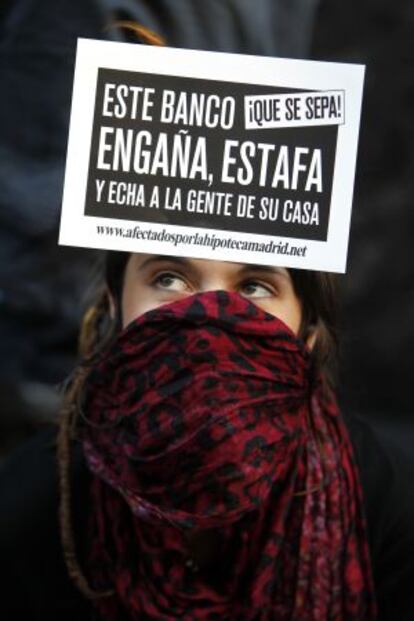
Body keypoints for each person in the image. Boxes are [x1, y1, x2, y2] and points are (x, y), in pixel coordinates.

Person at [0, 251, 413, 620]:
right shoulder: (33, 511)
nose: (209, 315)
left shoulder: (383, 506)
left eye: (255, 286)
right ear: (114, 305)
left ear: (307, 334)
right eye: (168, 278)